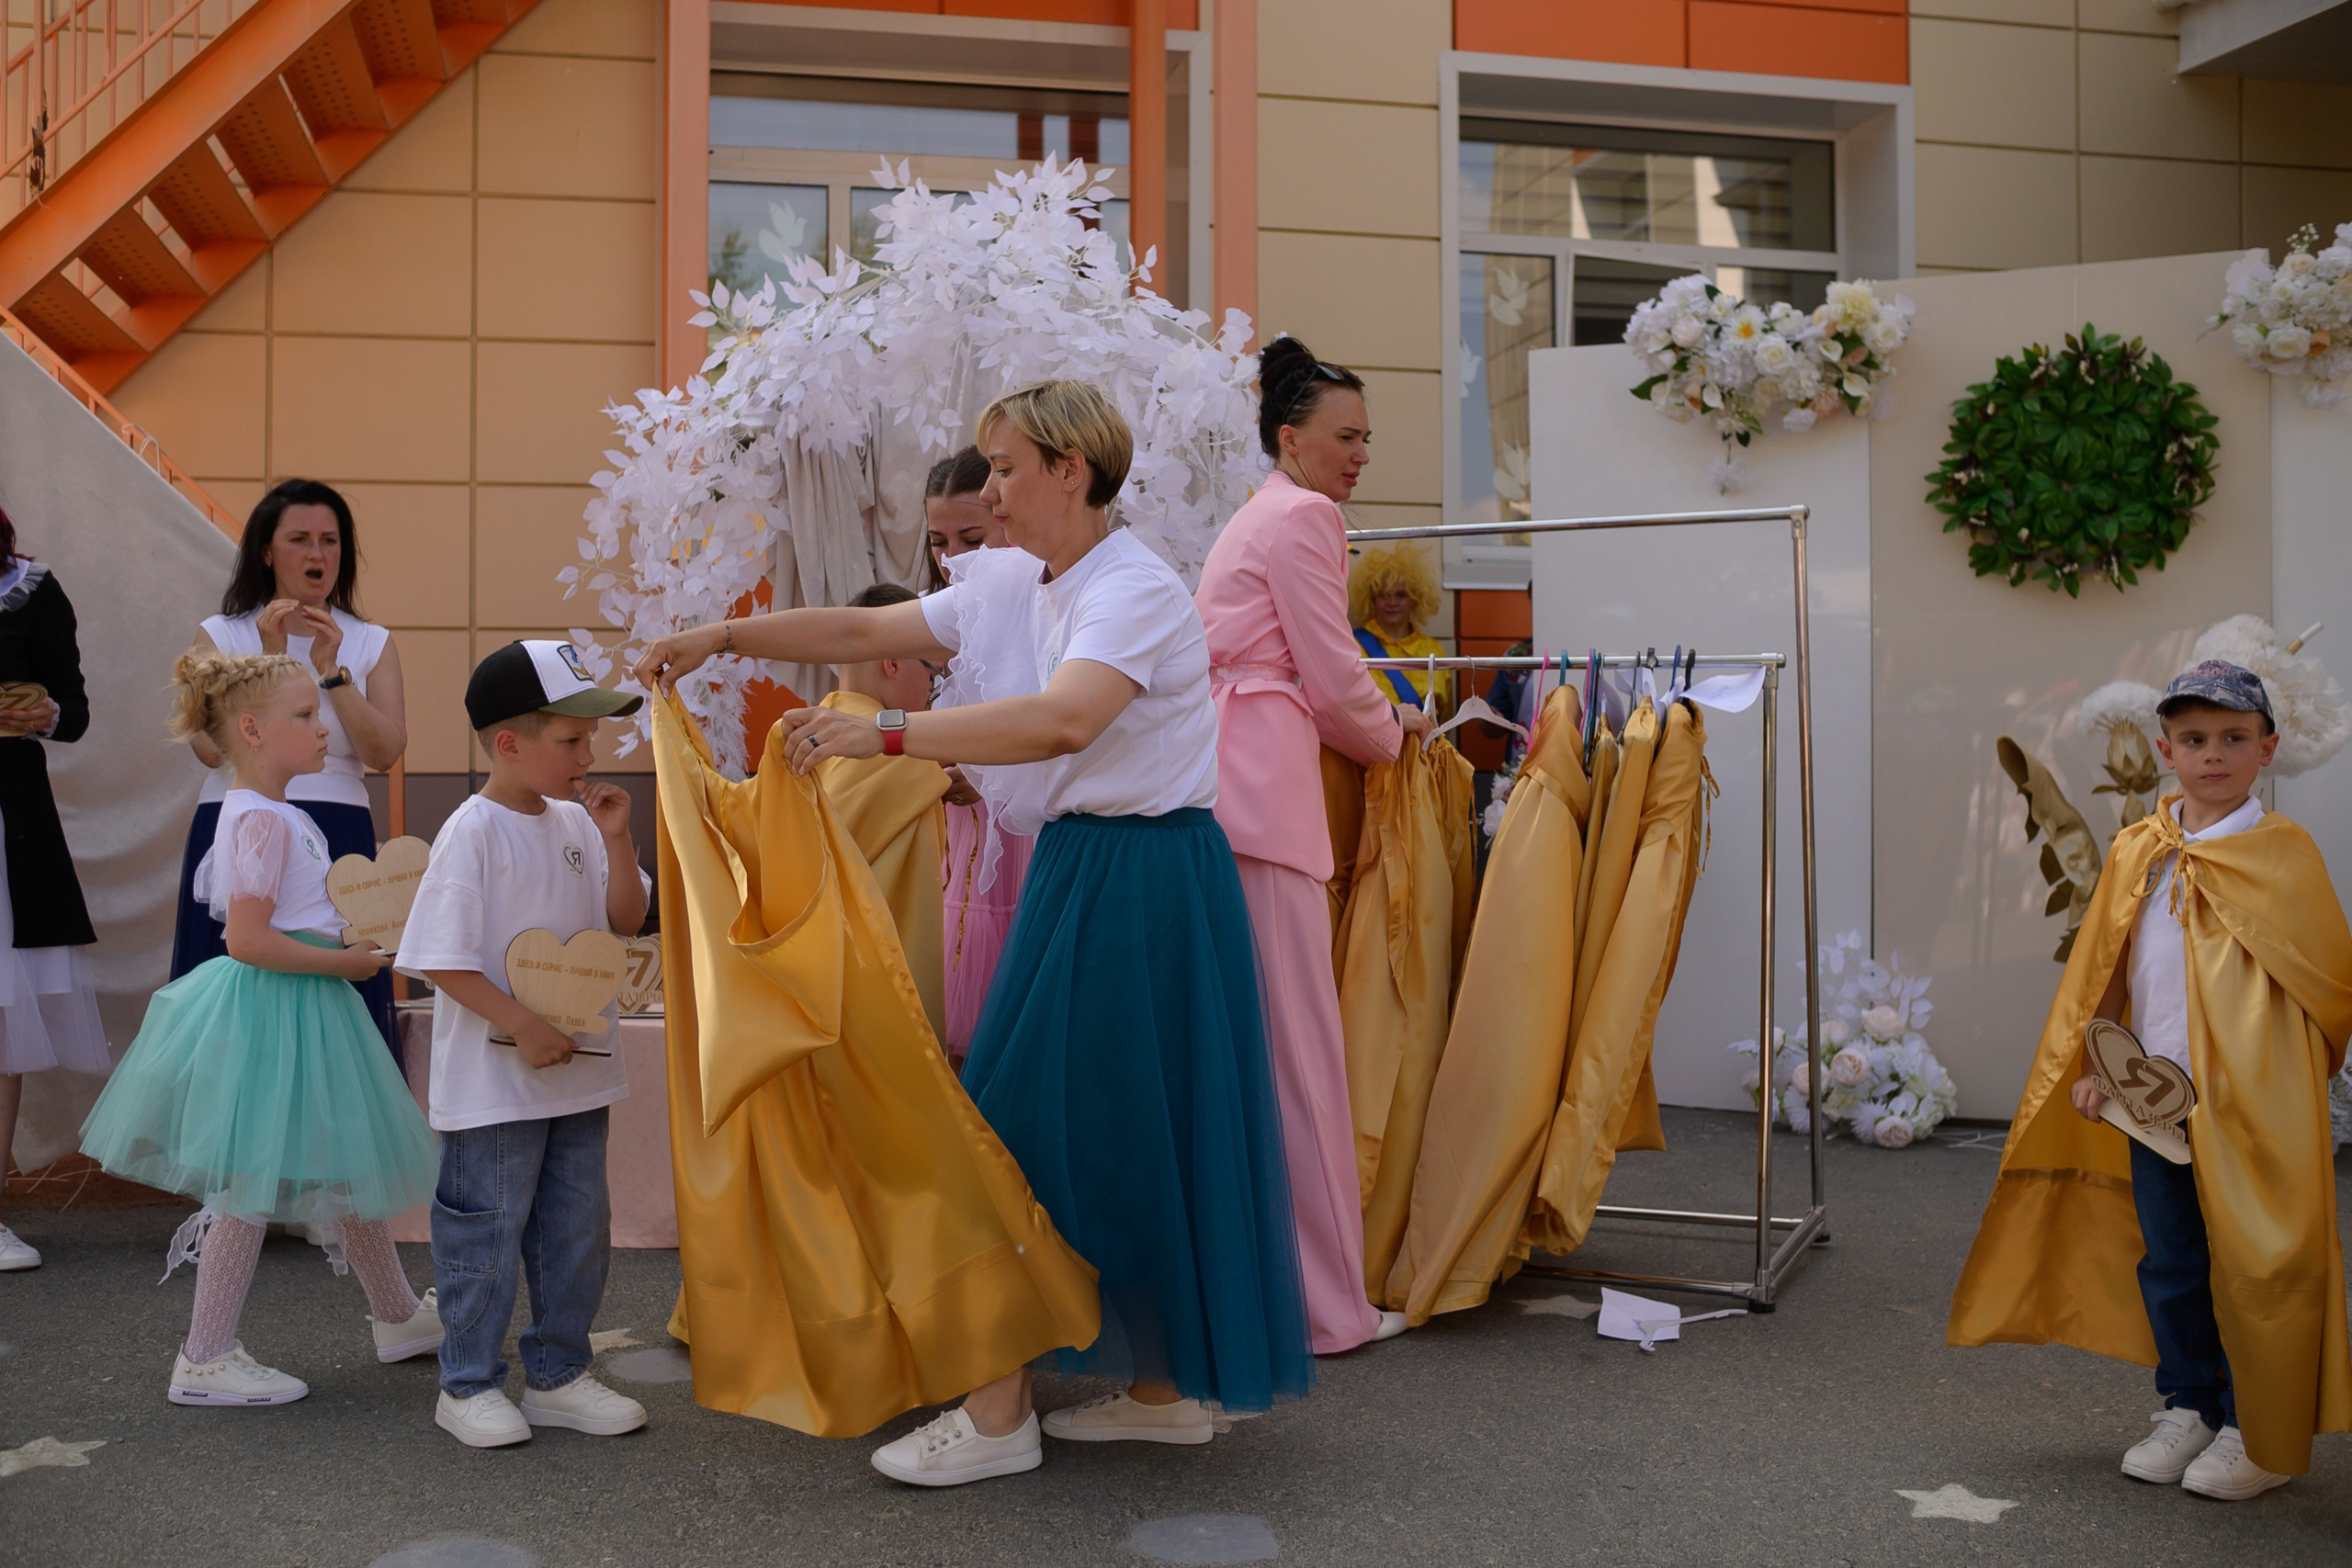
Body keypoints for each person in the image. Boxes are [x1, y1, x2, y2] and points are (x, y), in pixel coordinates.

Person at [633, 378, 1312, 1486]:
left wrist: (884, 734)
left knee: (1012, 1125)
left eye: (1004, 468)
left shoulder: (1129, 587)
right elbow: (864, 626)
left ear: (1070, 471)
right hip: (1101, 871)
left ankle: (1001, 1415)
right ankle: (1158, 1392)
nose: (988, 490)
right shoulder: (1017, 583)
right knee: (1129, 1124)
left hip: (1139, 877)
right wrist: (720, 634)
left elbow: (1063, 719)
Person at [1949, 660, 2352, 1502]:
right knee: (2171, 1258)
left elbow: (2326, 982)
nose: (2214, 755)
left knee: (2258, 1262)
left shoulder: (2283, 854)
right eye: (2196, 739)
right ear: (2166, 749)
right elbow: (2108, 964)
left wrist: (2289, 1084)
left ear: (2267, 750)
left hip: (2252, 1102)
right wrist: (2103, 1063)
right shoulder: (2141, 848)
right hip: (2155, 1101)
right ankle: (2191, 1406)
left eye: (2234, 739)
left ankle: (2259, 1428)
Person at [79, 651, 439, 1406]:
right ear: (251, 728)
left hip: (304, 1009)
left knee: (345, 1165)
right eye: (305, 716)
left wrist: (345, 946)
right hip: (282, 1010)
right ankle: (204, 1356)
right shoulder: (260, 819)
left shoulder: (279, 812)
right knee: (247, 1181)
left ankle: (399, 1313)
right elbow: (245, 938)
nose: (323, 728)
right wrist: (342, 962)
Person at [1194, 334, 1425, 1353]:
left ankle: (1287, 1289)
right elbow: (1334, 677)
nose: (1359, 453)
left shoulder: (1260, 512)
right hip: (1262, 791)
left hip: (1228, 782)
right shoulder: (1305, 517)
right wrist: (1396, 733)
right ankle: (1327, 1304)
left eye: (1367, 438)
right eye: (1345, 436)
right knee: (1299, 1058)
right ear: (1290, 438)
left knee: (1260, 1053)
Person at [393, 640, 652, 1450]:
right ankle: (466, 1383)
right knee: (486, 1231)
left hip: (577, 1076)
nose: (590, 754)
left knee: (576, 1229)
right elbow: (439, 955)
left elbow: (623, 918)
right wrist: (523, 1021)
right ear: (510, 744)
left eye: (590, 738)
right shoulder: (471, 831)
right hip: (496, 1083)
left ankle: (558, 1374)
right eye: (572, 739)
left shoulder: (579, 819)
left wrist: (617, 841)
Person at [172, 480, 408, 1057]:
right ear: (266, 552)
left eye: (330, 541)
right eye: (299, 539)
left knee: (339, 1016)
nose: (317, 554)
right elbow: (207, 748)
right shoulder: (222, 634)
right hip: (242, 814)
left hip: (337, 825)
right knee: (231, 1006)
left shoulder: (370, 640)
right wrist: (266, 663)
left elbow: (385, 751)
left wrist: (332, 673)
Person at [0, 506, 107, 1273]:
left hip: (10, 821)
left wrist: (47, 712)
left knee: (1, 1015)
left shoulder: (30, 589)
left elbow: (75, 712)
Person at [925, 446, 1035, 1059]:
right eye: (939, 541)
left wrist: (987, 769)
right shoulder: (944, 611)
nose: (952, 560)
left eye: (971, 538)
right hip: (961, 830)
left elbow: (1052, 717)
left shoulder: (1036, 598)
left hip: (1020, 827)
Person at [815, 583, 951, 1040]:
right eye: (933, 675)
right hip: (883, 1000)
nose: (933, 696)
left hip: (819, 991)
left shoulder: (802, 738)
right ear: (892, 662)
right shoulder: (903, 761)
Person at [1351, 544, 1453, 718]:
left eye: (1400, 595)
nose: (1391, 602)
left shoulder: (1434, 651)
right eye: (1384, 595)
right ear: (1372, 599)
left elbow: (1443, 721)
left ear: (1415, 599)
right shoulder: (1352, 646)